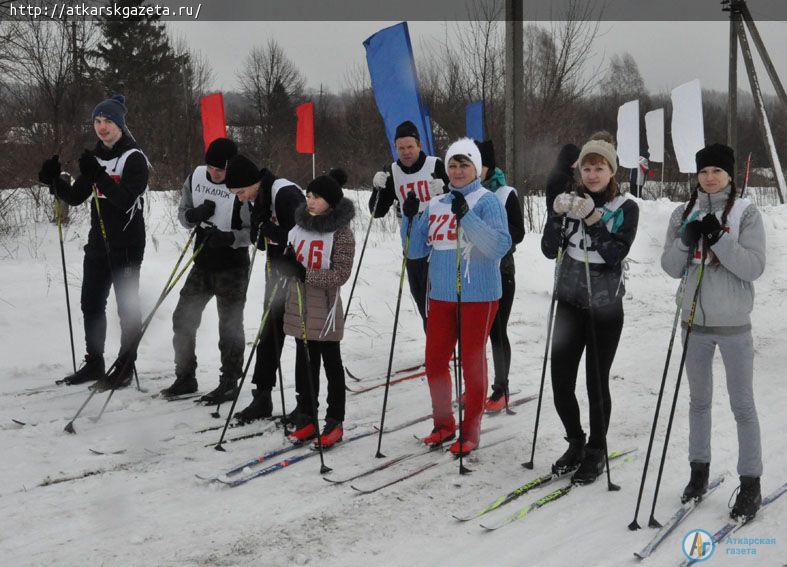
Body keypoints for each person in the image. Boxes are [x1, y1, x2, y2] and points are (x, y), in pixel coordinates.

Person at [660, 143, 765, 522]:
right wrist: (684, 241)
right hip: (694, 323)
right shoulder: (683, 212)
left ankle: (750, 481)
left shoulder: (745, 212)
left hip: (734, 325)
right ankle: (698, 471)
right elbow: (671, 267)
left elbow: (753, 267)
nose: (709, 177)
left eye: (717, 171)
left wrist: (720, 239)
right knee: (698, 402)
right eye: (704, 171)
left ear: (729, 175)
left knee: (742, 406)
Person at [404, 138, 511, 456]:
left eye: (465, 164)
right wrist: (411, 219)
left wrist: (468, 217)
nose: (458, 170)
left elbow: (497, 248)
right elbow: (415, 250)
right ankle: (443, 424)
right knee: (435, 360)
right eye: (453, 164)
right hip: (441, 296)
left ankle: (470, 430)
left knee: (471, 361)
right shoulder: (437, 203)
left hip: (478, 294)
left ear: (476, 167)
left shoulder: (487, 201)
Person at [541, 138, 639, 484]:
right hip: (569, 303)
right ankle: (576, 442)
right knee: (560, 383)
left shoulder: (626, 207)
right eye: (587, 167)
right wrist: (556, 217)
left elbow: (615, 254)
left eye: (599, 168)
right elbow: (547, 249)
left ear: (611, 171)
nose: (593, 174)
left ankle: (597, 450)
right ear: (579, 171)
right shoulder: (571, 201)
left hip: (604, 308)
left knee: (595, 383)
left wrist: (595, 220)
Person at [39, 94, 149, 390]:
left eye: (108, 122)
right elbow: (76, 198)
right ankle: (95, 362)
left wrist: (98, 174)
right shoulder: (97, 156)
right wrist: (54, 182)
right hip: (98, 243)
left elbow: (125, 200)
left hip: (126, 246)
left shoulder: (134, 158)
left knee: (127, 309)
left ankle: (125, 367)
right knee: (91, 303)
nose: (102, 127)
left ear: (120, 125)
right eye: (97, 121)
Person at [160, 138, 253, 403]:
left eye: (220, 170)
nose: (214, 173)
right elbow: (182, 213)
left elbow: (252, 233)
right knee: (182, 318)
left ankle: (229, 381)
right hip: (202, 262)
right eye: (211, 166)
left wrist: (229, 238)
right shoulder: (196, 177)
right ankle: (186, 376)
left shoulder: (242, 187)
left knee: (230, 326)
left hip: (232, 267)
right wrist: (194, 215)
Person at [275, 169, 355, 448]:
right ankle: (307, 417)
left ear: (331, 202)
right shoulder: (299, 228)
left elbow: (340, 274)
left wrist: (305, 273)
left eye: (317, 197)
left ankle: (335, 420)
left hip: (326, 307)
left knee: (331, 363)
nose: (310, 201)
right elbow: (291, 258)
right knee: (304, 364)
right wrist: (285, 263)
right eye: (308, 195)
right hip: (299, 304)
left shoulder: (341, 234)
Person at [224, 154, 305, 422]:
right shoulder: (258, 197)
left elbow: (301, 236)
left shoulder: (285, 193)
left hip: (298, 276)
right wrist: (260, 228)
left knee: (303, 338)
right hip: (275, 273)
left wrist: (267, 227)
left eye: (240, 191)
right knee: (268, 335)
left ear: (252, 182)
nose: (239, 198)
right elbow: (262, 241)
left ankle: (306, 404)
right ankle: (262, 397)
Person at [370, 120, 449, 329]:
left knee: (440, 301)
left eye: (410, 147)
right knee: (422, 302)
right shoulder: (392, 171)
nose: (406, 152)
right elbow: (376, 212)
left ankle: (445, 347)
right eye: (401, 148)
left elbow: (458, 201)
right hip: (413, 244)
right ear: (395, 148)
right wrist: (377, 188)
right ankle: (434, 349)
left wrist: (446, 189)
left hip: (438, 243)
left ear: (419, 145)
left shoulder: (435, 165)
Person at [473, 140, 526, 413]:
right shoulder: (463, 194)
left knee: (496, 331)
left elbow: (518, 231)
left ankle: (501, 388)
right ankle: (477, 386)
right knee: (473, 334)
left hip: (501, 271)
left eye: (480, 164)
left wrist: (492, 236)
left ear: (489, 166)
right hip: (472, 273)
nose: (475, 169)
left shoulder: (505, 194)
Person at [545, 144, 580, 214]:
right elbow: (562, 202)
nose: (578, 161)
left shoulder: (561, 173)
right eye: (577, 159)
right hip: (559, 220)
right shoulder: (561, 178)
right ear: (571, 159)